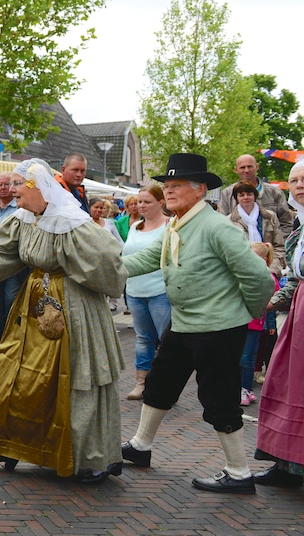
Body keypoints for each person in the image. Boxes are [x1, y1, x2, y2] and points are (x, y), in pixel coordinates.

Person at [0, 159, 126, 483]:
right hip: (35, 306)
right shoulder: (22, 220)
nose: (10, 189)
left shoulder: (71, 222)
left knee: (77, 377)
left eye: (19, 184)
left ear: (37, 186)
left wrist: (73, 274)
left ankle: (89, 457)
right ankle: (8, 445)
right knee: (18, 372)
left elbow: (110, 266)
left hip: (75, 310)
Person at [119, 153, 274, 494]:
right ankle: (140, 447)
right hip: (186, 322)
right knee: (160, 382)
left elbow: (259, 278)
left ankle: (238, 472)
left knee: (218, 397)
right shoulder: (177, 221)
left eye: (176, 186)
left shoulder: (217, 227)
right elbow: (149, 257)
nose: (169, 192)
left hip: (217, 328)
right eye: (167, 185)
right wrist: (107, 268)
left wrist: (244, 312)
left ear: (201, 189)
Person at [255, 159, 304, 488]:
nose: (299, 184)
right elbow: (294, 279)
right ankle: (286, 464)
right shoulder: (298, 225)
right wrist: (265, 303)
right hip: (299, 315)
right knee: (286, 384)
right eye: (293, 180)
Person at [121, 185, 171, 401]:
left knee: (166, 339)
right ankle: (141, 382)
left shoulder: (170, 226)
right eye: (140, 201)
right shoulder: (135, 227)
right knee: (143, 339)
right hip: (135, 290)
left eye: (147, 201)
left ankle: (165, 383)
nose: (141, 205)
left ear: (161, 203)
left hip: (160, 290)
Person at [0, 172, 28, 356]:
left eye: (6, 184)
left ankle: (14, 346)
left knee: (11, 304)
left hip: (12, 266)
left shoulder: (20, 208)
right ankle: (2, 345)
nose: (3, 188)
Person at [219, 154, 294, 236]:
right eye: (242, 167)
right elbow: (222, 224)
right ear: (236, 170)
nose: (246, 170)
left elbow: (286, 223)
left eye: (250, 166)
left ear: (257, 167)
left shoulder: (275, 193)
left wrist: (278, 244)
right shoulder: (226, 194)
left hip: (270, 247)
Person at [240, 243, 276, 406]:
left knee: (248, 358)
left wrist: (271, 324)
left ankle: (245, 388)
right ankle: (241, 387)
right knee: (242, 357)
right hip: (241, 322)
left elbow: (271, 301)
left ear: (263, 259)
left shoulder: (268, 276)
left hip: (255, 324)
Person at [227, 181, 286, 277]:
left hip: (270, 272)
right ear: (236, 198)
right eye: (241, 195)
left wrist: (273, 270)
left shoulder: (270, 216)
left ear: (255, 196)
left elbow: (279, 247)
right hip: (242, 275)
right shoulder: (228, 221)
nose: (246, 197)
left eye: (249, 194)